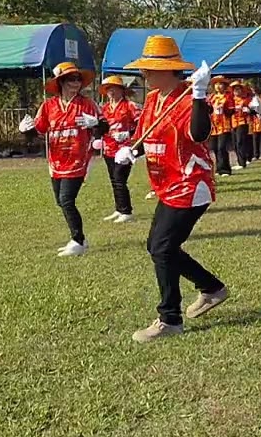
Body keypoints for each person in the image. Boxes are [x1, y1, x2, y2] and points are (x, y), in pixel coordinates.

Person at [116, 35, 228, 343]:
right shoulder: (153, 99)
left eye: (150, 69)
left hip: (191, 184)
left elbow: (199, 133)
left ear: (170, 70)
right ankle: (212, 288)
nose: (145, 75)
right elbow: (144, 138)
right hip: (166, 183)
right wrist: (131, 151)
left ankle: (170, 319)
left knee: (161, 247)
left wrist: (200, 93)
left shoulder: (187, 96)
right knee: (159, 247)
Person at [18, 62, 102, 256]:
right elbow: (38, 132)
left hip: (78, 159)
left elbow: (103, 127)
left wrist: (96, 124)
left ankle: (78, 240)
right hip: (55, 161)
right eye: (71, 79)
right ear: (61, 82)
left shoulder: (87, 104)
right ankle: (79, 239)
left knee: (66, 199)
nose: (76, 82)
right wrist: (26, 130)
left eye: (78, 79)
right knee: (60, 200)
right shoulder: (49, 106)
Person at [96, 75, 141, 224]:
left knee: (120, 178)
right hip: (109, 148)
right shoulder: (104, 109)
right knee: (114, 180)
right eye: (108, 89)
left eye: (114, 88)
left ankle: (126, 211)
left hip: (125, 150)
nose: (111, 92)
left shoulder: (130, 106)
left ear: (122, 90)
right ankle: (119, 208)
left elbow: (142, 126)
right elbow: (101, 127)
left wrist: (129, 134)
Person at [207, 75, 234, 177]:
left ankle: (225, 169)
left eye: (220, 84)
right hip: (214, 126)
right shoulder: (212, 97)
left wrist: (224, 108)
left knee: (222, 147)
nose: (218, 86)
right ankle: (219, 168)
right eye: (216, 84)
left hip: (224, 125)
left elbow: (231, 111)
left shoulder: (228, 97)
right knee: (214, 148)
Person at [229, 80, 256, 170]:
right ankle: (239, 160)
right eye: (235, 89)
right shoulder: (231, 100)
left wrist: (248, 110)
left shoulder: (246, 100)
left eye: (238, 89)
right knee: (235, 142)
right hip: (233, 123)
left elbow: (253, 109)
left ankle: (242, 162)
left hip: (243, 122)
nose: (237, 91)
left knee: (241, 141)